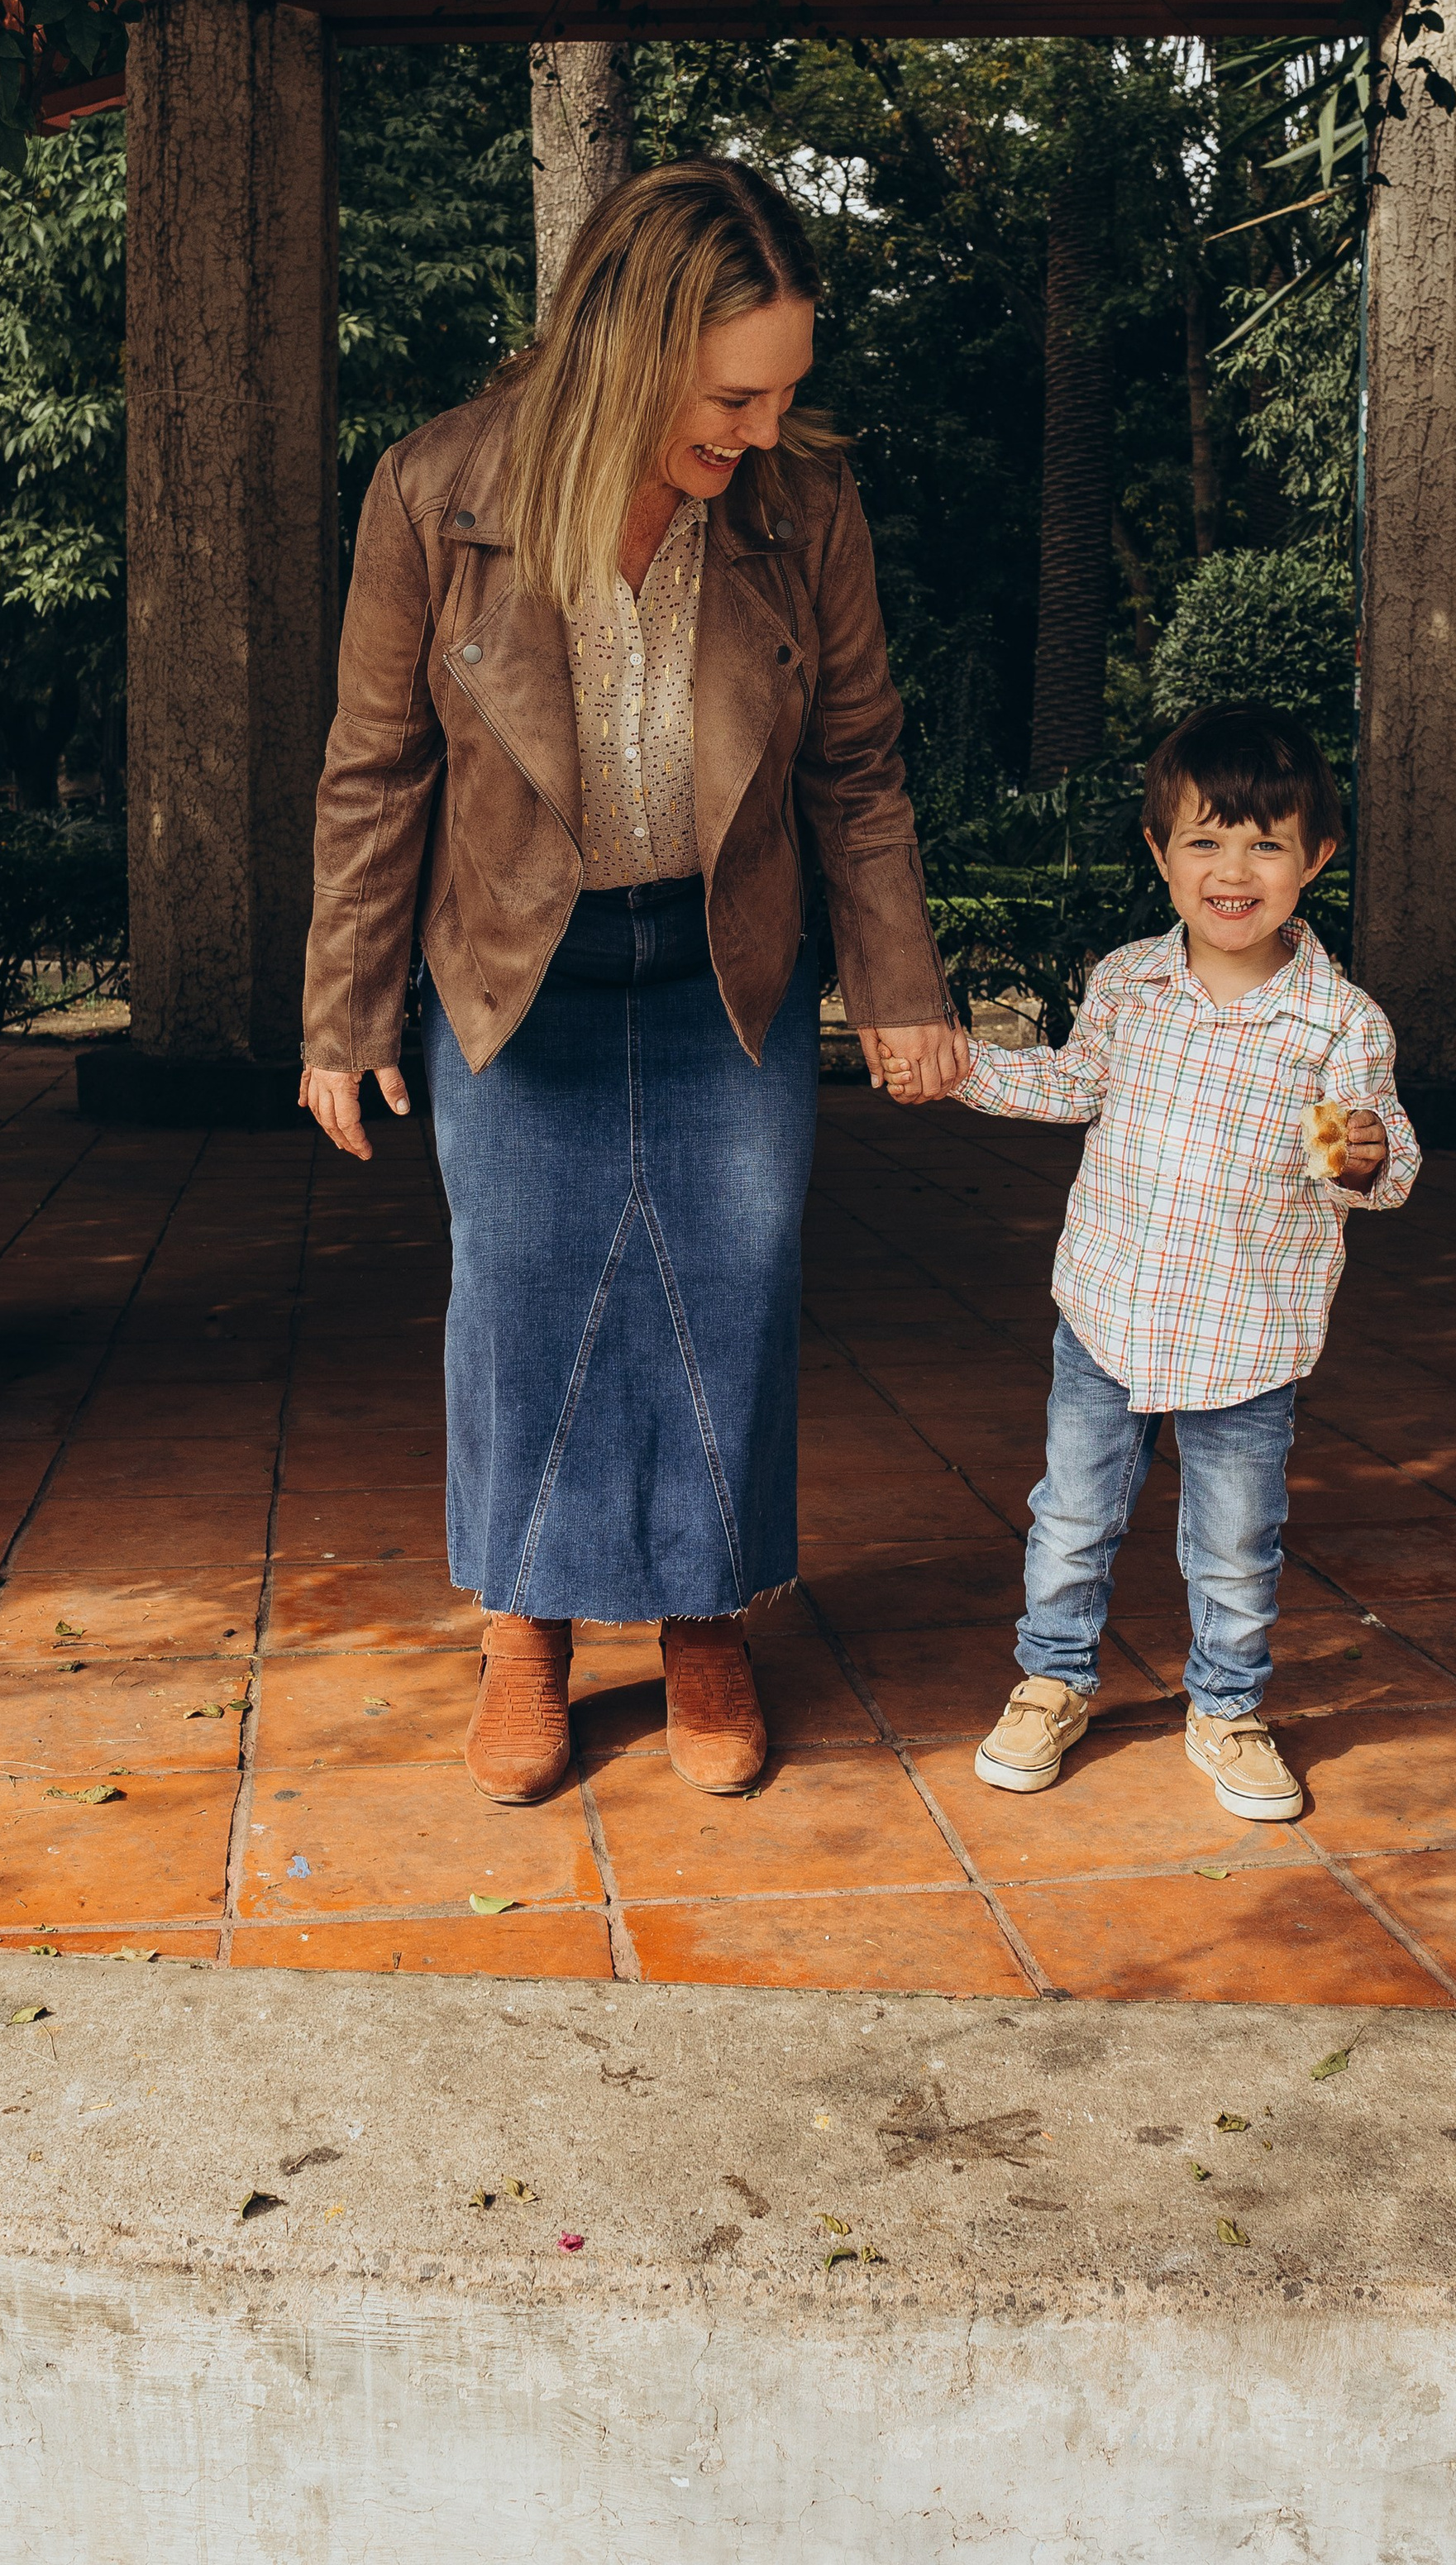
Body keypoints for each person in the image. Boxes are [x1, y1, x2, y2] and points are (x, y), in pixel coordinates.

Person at [298, 159, 966, 1807]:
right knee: (520, 1303)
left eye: (783, 391)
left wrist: (896, 978)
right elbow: (374, 770)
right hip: (515, 969)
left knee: (724, 1299)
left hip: (720, 964)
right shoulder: (430, 489)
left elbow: (859, 766)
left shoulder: (798, 508)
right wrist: (341, 1011)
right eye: (732, 391)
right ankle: (523, 1631)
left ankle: (699, 1617)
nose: (755, 426)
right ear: (628, 342)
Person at [882, 700, 1420, 1821]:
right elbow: (1075, 1084)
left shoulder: (1335, 1023)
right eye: (1206, 839)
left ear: (1315, 857)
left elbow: (1358, 1157)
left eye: (1266, 842)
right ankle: (1052, 1680)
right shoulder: (1129, 983)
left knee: (1234, 1539)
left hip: (1246, 1335)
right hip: (1109, 1315)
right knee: (1073, 1514)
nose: (1235, 868)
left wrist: (1365, 1156)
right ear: (1160, 854)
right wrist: (961, 1069)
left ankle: (1227, 1706)